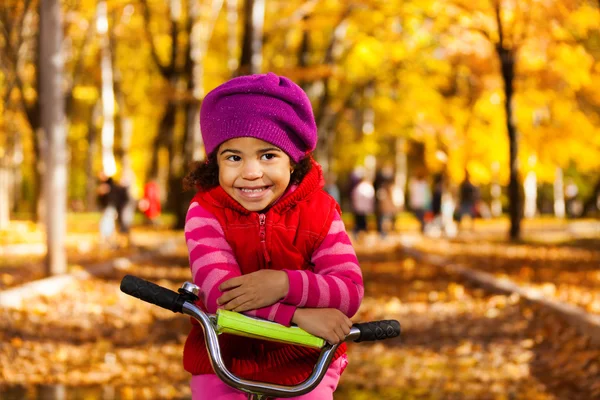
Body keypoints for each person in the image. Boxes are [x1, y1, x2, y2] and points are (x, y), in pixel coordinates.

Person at [181, 73, 364, 400]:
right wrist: (298, 315)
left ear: (294, 162)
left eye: (268, 155)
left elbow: (348, 290)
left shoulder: (320, 212)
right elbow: (221, 295)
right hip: (224, 359)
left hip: (305, 360)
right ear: (216, 162)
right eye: (234, 157)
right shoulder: (205, 212)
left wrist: (282, 283)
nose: (251, 172)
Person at [350, 175, 375, 240]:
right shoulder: (369, 187)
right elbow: (371, 199)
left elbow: (354, 197)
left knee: (359, 223)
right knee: (363, 223)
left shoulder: (358, 187)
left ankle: (358, 235)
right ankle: (362, 236)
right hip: (365, 209)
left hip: (358, 208)